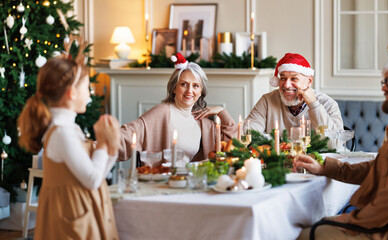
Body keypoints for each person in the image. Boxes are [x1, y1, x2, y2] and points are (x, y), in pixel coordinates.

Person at [295, 54, 388, 239]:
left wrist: (353, 219)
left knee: (297, 234)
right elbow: (377, 169)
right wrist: (324, 167)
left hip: (386, 232)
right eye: (384, 82)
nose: (384, 87)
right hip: (380, 224)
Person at [17, 37, 120, 239]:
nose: (90, 96)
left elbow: (97, 177)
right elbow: (91, 179)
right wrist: (101, 145)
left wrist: (110, 147)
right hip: (70, 219)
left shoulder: (71, 128)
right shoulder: (62, 133)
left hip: (83, 210)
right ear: (72, 93)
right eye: (87, 88)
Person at [118, 52, 237, 162]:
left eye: (195, 86)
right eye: (184, 84)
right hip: (163, 181)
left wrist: (222, 111)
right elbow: (128, 134)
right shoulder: (162, 112)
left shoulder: (202, 123)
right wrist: (101, 145)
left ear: (200, 92)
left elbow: (233, 143)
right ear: (174, 88)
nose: (189, 91)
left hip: (192, 182)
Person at [246, 53, 343, 134]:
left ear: (309, 81)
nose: (287, 85)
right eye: (283, 78)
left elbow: (335, 145)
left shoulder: (329, 104)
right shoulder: (267, 101)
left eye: (294, 79)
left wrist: (313, 104)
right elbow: (248, 134)